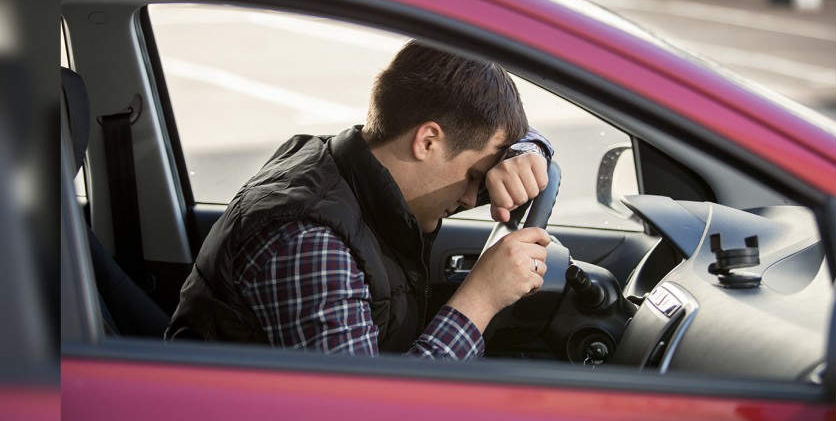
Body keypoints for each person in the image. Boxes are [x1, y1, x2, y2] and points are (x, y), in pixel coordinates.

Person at [166, 41, 553, 360]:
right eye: (473, 176)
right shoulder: (310, 243)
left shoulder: (340, 160)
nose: (473, 196)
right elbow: (365, 409)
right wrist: (481, 298)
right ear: (427, 142)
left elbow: (502, 137)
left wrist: (528, 151)